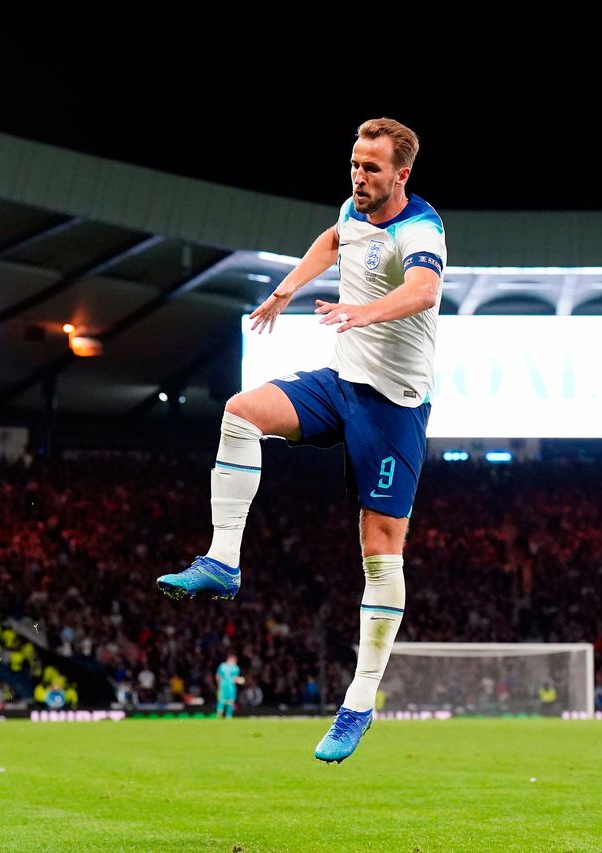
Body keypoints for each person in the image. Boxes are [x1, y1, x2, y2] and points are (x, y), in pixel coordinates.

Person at [157, 117, 445, 763]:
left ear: (402, 174)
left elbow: (424, 289)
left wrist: (362, 312)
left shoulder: (421, 229)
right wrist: (287, 290)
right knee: (240, 411)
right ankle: (222, 561)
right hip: (341, 382)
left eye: (372, 168)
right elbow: (333, 237)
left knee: (379, 549)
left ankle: (359, 703)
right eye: (354, 163)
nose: (358, 176)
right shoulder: (353, 207)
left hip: (393, 405)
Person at [216, 654, 245, 718]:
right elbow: (218, 676)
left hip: (230, 686)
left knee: (230, 701)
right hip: (225, 686)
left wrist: (239, 680)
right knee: (222, 700)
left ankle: (227, 716)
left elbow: (234, 678)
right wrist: (240, 680)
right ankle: (220, 715)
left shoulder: (234, 667)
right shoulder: (225, 666)